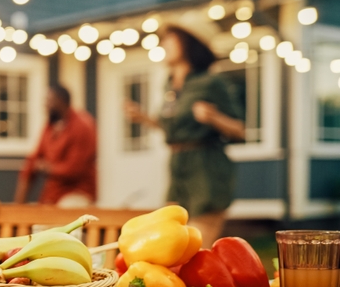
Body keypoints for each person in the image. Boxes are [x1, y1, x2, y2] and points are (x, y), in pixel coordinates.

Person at [126, 24, 244, 247]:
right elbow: (175, 127)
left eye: (171, 38)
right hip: (178, 166)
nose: (164, 43)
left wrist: (214, 117)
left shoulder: (211, 82)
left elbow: (240, 129)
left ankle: (204, 283)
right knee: (170, 240)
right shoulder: (170, 84)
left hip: (206, 168)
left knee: (196, 247)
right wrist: (144, 118)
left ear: (190, 43)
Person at [15, 85, 97, 207]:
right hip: (52, 194)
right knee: (38, 222)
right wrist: (18, 204)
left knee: (63, 216)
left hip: (78, 193)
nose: (45, 105)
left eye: (48, 100)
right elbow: (34, 159)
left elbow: (75, 169)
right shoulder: (50, 127)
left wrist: (47, 168)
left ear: (60, 101)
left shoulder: (82, 126)